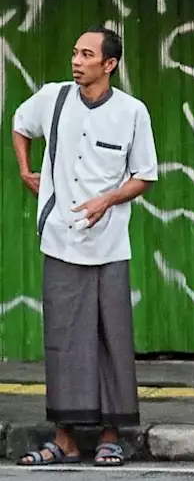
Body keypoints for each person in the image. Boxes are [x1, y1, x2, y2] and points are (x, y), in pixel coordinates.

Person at [11, 26, 158, 468]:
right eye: (75, 52)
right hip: (59, 237)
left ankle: (111, 436)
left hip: (110, 245)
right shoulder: (54, 98)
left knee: (111, 339)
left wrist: (109, 199)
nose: (76, 60)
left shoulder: (132, 112)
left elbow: (145, 175)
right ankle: (65, 438)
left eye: (87, 54)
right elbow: (20, 124)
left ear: (109, 64)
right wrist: (25, 171)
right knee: (62, 340)